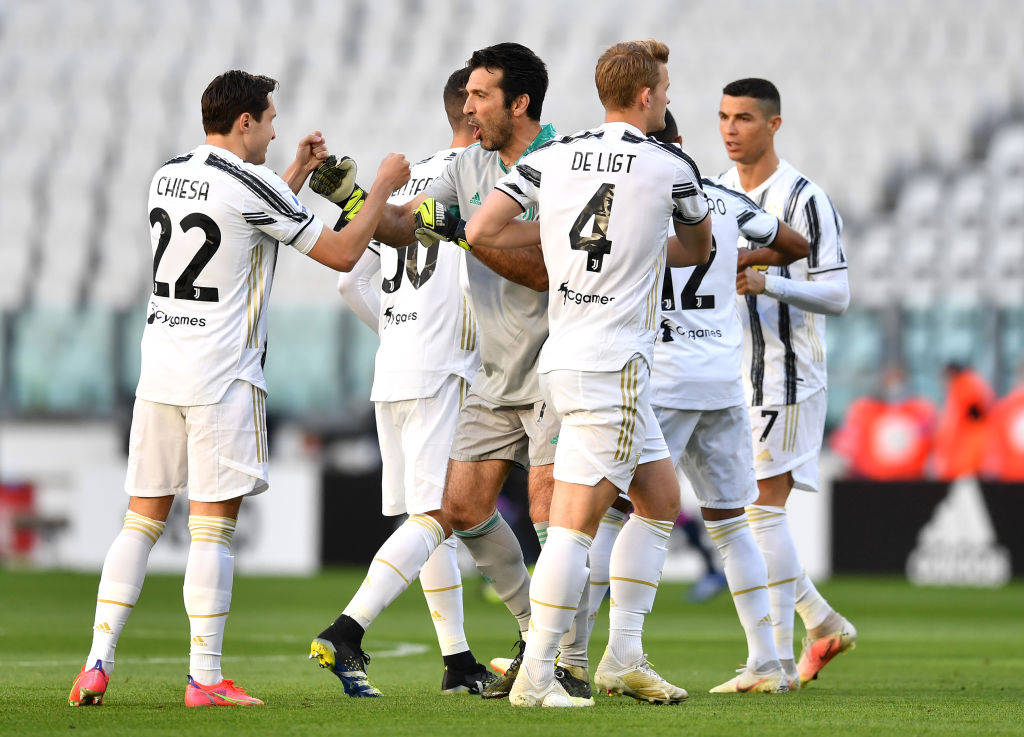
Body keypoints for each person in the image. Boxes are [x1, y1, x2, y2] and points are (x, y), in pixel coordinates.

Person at [68, 70, 410, 708]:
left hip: (160, 367)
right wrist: (383, 187)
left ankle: (96, 661)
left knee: (140, 520)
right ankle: (205, 678)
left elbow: (237, 223)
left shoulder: (168, 173)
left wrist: (297, 174)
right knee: (212, 530)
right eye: (271, 118)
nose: (277, 127)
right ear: (245, 122)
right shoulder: (250, 185)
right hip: (222, 374)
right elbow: (338, 254)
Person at [307, 43, 591, 700]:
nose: (467, 107)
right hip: (493, 372)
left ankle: (567, 663)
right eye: (466, 96)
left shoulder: (564, 167)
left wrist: (465, 231)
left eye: (481, 96)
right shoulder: (467, 162)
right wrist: (354, 196)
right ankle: (532, 636)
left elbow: (548, 269)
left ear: (519, 103)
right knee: (461, 508)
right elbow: (406, 227)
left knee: (553, 517)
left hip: (556, 364)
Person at [467, 38, 712, 707]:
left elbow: (483, 226)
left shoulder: (554, 155)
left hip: (565, 357)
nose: (666, 99)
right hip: (616, 363)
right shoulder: (669, 166)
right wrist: (646, 243)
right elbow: (697, 248)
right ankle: (538, 673)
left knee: (660, 501)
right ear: (644, 95)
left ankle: (622, 655)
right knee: (573, 526)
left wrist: (552, 240)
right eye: (663, 89)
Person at [309, 68, 494, 697]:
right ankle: (347, 630)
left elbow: (347, 280)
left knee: (427, 516)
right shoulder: (473, 180)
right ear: (474, 118)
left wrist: (394, 332)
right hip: (446, 365)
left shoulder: (405, 185)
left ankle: (459, 659)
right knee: (439, 515)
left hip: (395, 369)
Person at [648, 107, 811, 692]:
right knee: (732, 523)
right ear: (683, 142)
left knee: (617, 516)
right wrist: (741, 258)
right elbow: (795, 243)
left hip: (660, 378)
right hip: (720, 380)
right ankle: (768, 662)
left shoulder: (633, 198)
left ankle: (575, 657)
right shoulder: (722, 196)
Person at [718, 77, 856, 688]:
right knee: (743, 516)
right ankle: (819, 622)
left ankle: (769, 663)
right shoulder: (716, 194)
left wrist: (772, 282)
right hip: (729, 377)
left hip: (788, 374)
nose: (730, 129)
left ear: (774, 125)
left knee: (758, 513)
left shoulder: (804, 198)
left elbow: (839, 293)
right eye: (723, 117)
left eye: (744, 118)